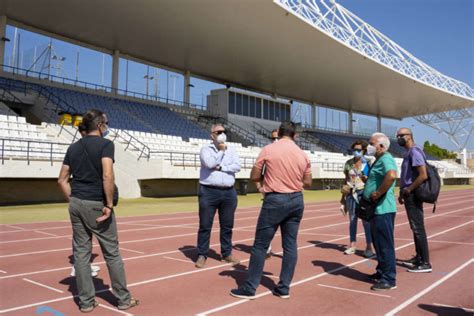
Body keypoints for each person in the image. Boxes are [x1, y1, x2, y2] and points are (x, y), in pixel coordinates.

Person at [58, 109, 138, 313]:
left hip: (76, 203)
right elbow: (107, 175)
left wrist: (74, 200)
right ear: (101, 125)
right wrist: (109, 205)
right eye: (107, 123)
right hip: (97, 204)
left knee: (81, 255)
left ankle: (86, 303)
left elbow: (62, 179)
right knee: (112, 254)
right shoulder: (106, 145)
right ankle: (123, 299)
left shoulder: (73, 147)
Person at [230, 122, 312, 299]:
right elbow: (308, 182)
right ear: (295, 135)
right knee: (290, 245)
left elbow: (254, 175)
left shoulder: (268, 149)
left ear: (279, 133)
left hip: (275, 199)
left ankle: (250, 287)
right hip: (296, 199)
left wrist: (261, 185)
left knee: (260, 245)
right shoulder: (302, 154)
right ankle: (284, 288)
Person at [195, 124, 241, 268]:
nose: (222, 134)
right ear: (212, 135)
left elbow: (237, 166)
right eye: (219, 132)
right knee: (205, 225)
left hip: (229, 192)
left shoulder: (232, 150)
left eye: (224, 131)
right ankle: (202, 254)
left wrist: (222, 167)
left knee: (227, 225)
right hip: (209, 191)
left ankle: (226, 253)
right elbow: (209, 163)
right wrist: (220, 152)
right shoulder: (205, 149)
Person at [363, 132, 397, 291]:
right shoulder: (379, 160)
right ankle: (382, 271)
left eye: (372, 143)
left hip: (383, 209)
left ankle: (389, 279)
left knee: (385, 244)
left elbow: (391, 176)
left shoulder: (386, 158)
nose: (369, 146)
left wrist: (378, 192)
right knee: (378, 243)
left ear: (382, 146)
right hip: (376, 209)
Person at [396, 127, 432, 273]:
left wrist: (409, 189)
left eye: (401, 135)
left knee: (418, 228)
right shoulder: (409, 152)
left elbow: (423, 175)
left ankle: (425, 263)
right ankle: (419, 257)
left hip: (413, 194)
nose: (398, 138)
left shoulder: (415, 151)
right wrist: (402, 192)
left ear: (409, 136)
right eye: (398, 136)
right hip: (408, 193)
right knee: (415, 227)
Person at [341, 140, 374, 258]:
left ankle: (369, 247)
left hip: (364, 194)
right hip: (351, 194)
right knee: (352, 220)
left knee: (366, 221)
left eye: (359, 150)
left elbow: (372, 179)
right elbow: (346, 180)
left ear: (364, 150)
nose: (356, 152)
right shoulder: (348, 163)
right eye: (355, 150)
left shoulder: (368, 163)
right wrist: (342, 198)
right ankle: (352, 245)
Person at [255, 129, 279, 260]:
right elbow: (258, 172)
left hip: (286, 195)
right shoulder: (268, 153)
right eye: (273, 138)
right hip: (270, 194)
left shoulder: (290, 153)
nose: (275, 140)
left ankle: (288, 253)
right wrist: (260, 187)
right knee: (267, 225)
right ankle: (267, 249)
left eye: (277, 138)